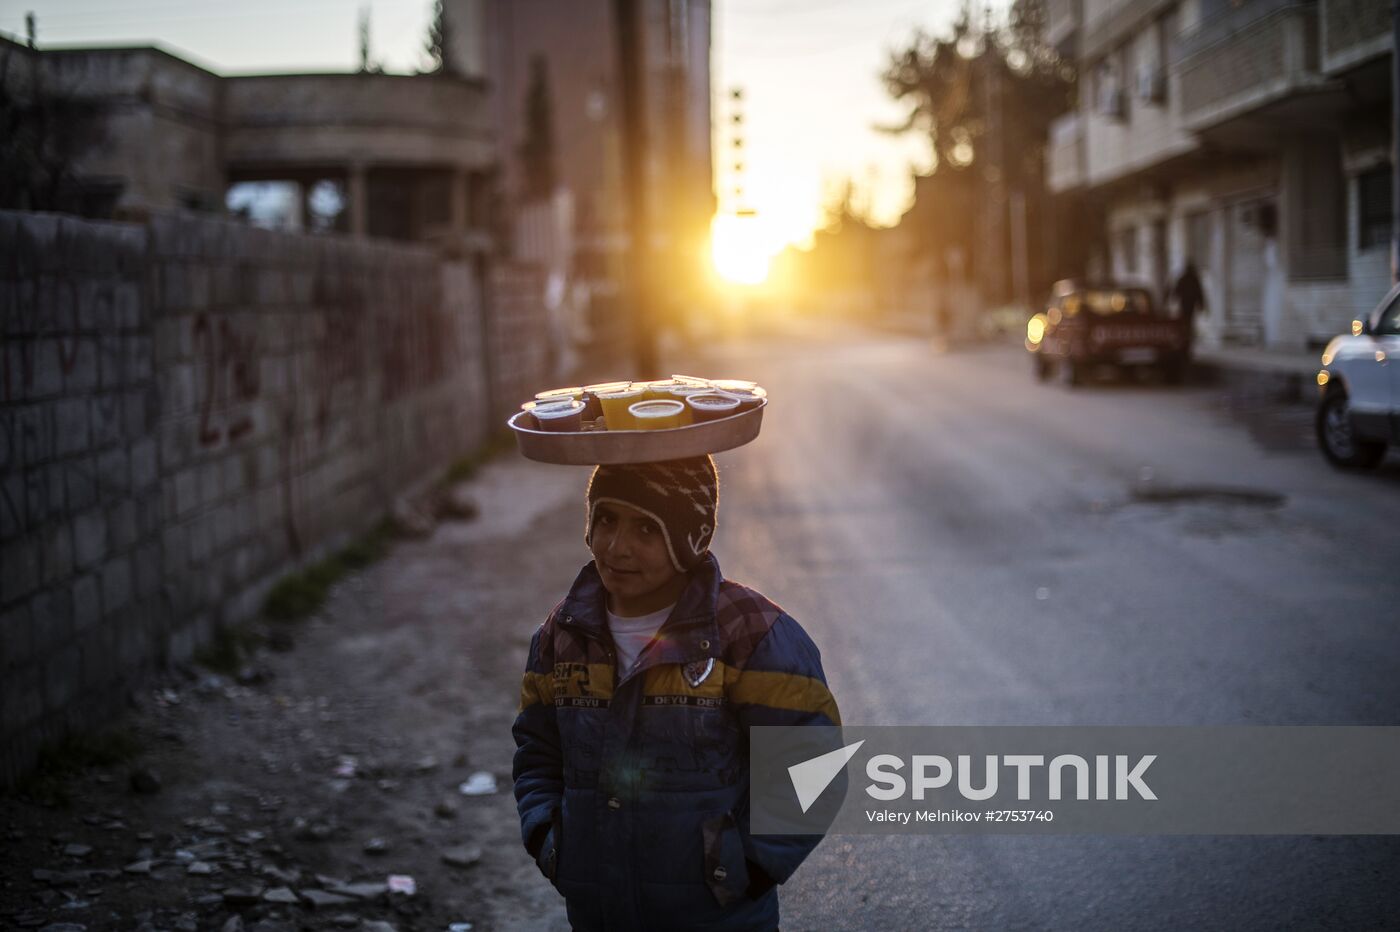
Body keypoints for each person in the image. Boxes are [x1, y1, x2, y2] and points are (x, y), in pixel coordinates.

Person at [512, 455, 841, 931]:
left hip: (721, 918)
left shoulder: (750, 633)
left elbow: (813, 765)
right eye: (606, 520)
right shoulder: (562, 634)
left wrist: (747, 866)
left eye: (647, 529)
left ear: (691, 538)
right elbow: (537, 752)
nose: (617, 547)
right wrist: (550, 840)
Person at [1167, 260, 1206, 358]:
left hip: (1185, 305)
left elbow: (1177, 291)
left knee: (1186, 325)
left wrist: (1173, 299)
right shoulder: (1193, 279)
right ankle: (1185, 345)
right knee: (1187, 325)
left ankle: (1185, 345)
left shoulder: (1185, 278)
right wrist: (1202, 305)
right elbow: (1199, 293)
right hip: (1188, 305)